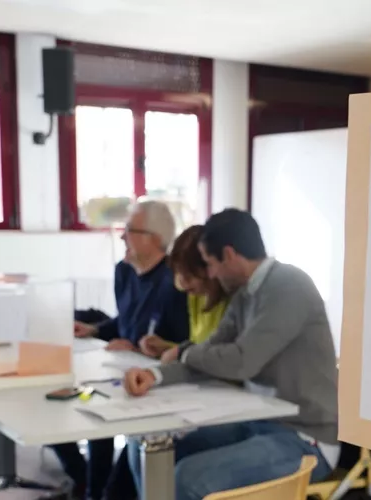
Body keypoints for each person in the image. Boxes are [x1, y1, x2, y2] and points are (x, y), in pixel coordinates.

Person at [122, 208, 340, 500]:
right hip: (260, 423)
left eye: (211, 264)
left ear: (229, 254)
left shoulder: (289, 285)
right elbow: (210, 354)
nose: (210, 274)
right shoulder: (246, 294)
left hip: (305, 439)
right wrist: (155, 375)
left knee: (188, 477)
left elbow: (241, 362)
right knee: (147, 448)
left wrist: (185, 353)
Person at [54, 200, 189, 500]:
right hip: (117, 369)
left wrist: (146, 351)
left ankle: (96, 491)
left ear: (153, 239)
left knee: (98, 416)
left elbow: (181, 343)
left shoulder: (174, 284)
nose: (121, 237)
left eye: (129, 230)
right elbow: (126, 322)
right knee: (65, 404)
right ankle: (87, 485)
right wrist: (97, 329)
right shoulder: (124, 272)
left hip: (153, 386)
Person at [138, 224, 230, 360]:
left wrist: (178, 351)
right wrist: (169, 347)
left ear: (210, 268)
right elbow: (197, 346)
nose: (182, 282)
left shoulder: (231, 300)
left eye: (188, 275)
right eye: (178, 273)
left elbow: (218, 357)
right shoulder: (195, 295)